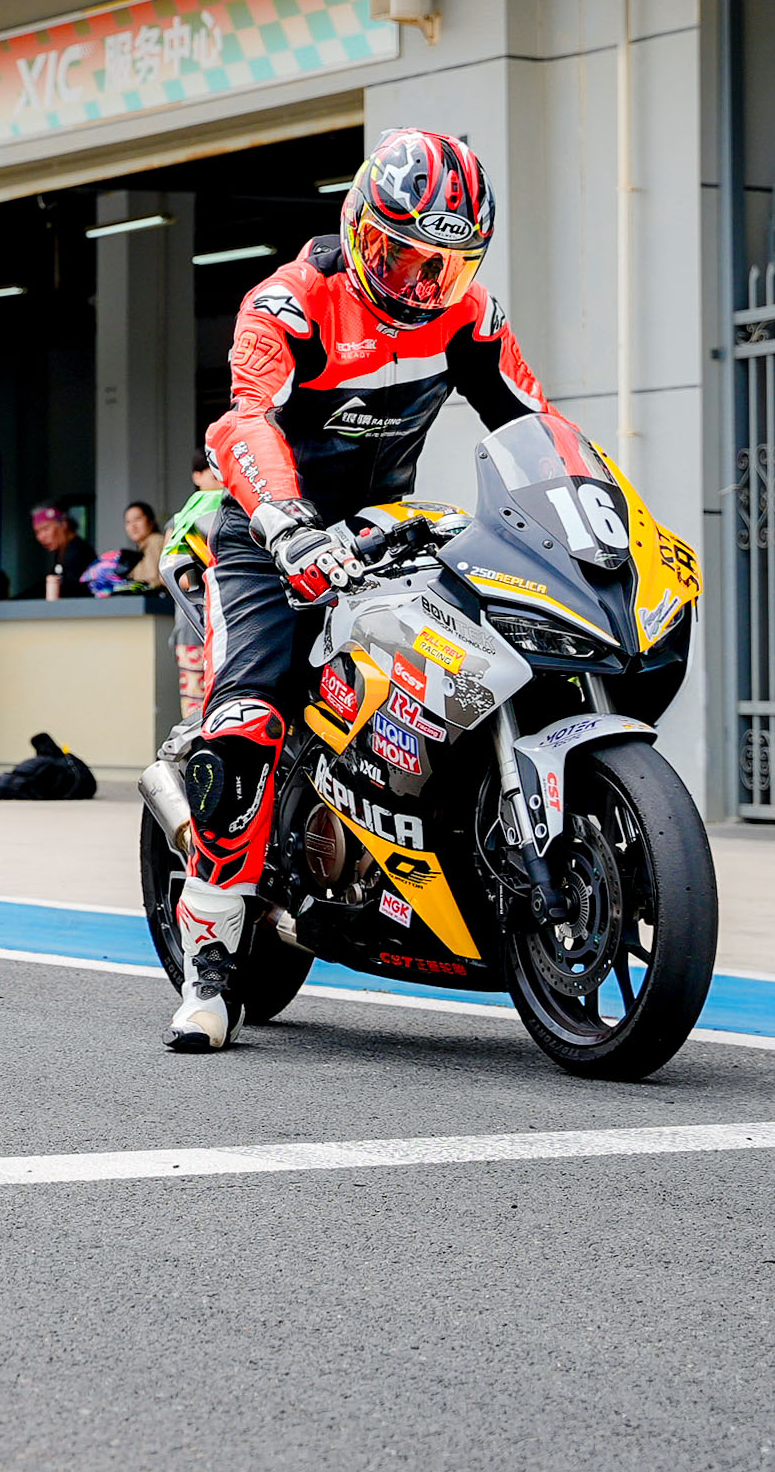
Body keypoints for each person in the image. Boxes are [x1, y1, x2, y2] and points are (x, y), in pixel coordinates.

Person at [169, 127, 558, 1052]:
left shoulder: (467, 316)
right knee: (249, 717)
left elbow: (533, 422)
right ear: (356, 224)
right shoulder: (289, 303)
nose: (419, 283)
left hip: (387, 527)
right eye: (398, 254)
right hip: (269, 533)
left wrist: (587, 513)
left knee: (485, 655)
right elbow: (243, 422)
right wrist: (287, 523)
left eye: (443, 266)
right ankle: (210, 961)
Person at [161, 455, 230, 715]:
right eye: (212, 471)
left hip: (196, 618)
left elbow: (171, 574)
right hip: (213, 620)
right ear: (196, 476)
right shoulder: (235, 511)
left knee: (196, 703)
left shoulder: (182, 519)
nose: (218, 477)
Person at [29, 502, 97, 599]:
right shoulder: (62, 552)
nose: (41, 537)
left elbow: (73, 591)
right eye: (37, 532)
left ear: (63, 524)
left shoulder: (79, 553)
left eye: (45, 529)